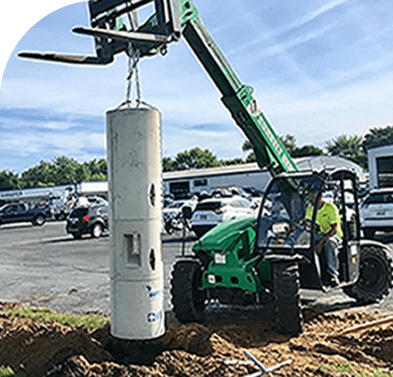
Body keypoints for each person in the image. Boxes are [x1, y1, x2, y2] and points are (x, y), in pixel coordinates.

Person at [304, 191, 343, 287]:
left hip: (332, 235)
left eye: (312, 196)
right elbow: (308, 222)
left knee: (330, 243)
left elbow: (334, 229)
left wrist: (320, 243)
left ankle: (333, 274)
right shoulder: (310, 208)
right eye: (310, 197)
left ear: (320, 196)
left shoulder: (330, 208)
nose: (310, 199)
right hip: (319, 234)